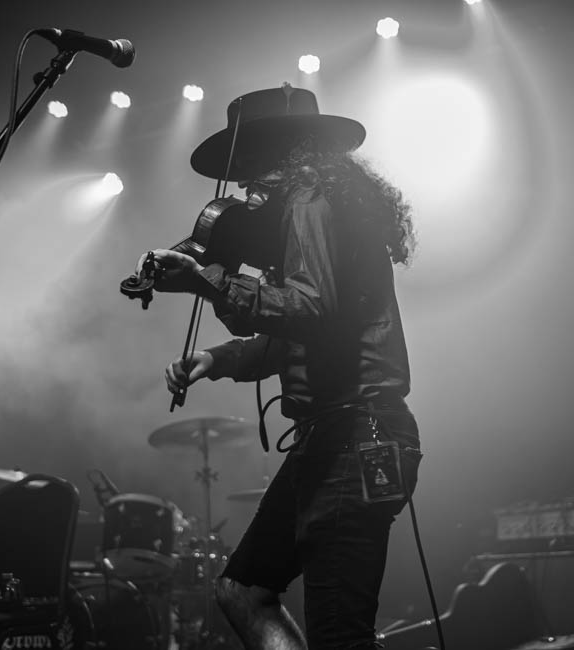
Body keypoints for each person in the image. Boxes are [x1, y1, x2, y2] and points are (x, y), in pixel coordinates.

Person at [137, 84, 420, 650]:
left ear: (281, 152)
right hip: (331, 441)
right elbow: (305, 335)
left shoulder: (312, 199)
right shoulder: (314, 204)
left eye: (247, 167)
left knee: (340, 634)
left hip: (356, 440)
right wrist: (214, 359)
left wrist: (205, 278)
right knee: (242, 589)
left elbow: (311, 308)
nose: (243, 187)